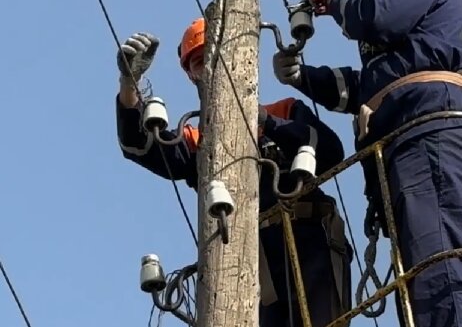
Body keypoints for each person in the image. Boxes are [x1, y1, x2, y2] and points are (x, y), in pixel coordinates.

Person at [272, 0, 462, 327]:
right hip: (447, 138)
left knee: (438, 267)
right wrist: (302, 77)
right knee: (429, 271)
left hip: (431, 136)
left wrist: (338, 2)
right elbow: (368, 88)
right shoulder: (424, 40)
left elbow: (374, 15)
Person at [115, 18, 353, 327]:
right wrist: (129, 83)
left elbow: (330, 151)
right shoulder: (199, 141)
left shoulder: (285, 110)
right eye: (199, 62)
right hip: (250, 264)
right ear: (191, 75)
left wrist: (265, 121)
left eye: (218, 57)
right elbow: (138, 145)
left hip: (312, 242)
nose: (211, 68)